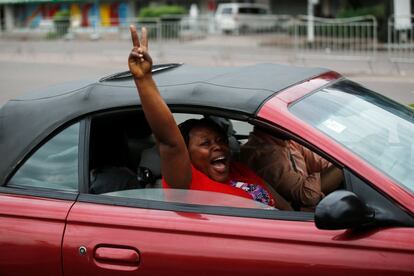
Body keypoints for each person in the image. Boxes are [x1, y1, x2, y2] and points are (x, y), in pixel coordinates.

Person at [127, 25, 276, 207]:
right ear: (186, 154)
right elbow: (169, 142)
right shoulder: (184, 185)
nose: (218, 147)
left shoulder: (237, 170)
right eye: (205, 143)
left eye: (221, 140)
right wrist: (144, 80)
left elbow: (283, 206)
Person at [240, 127, 343, 211]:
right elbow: (308, 196)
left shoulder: (287, 140)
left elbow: (324, 164)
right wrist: (345, 162)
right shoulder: (265, 155)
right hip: (301, 218)